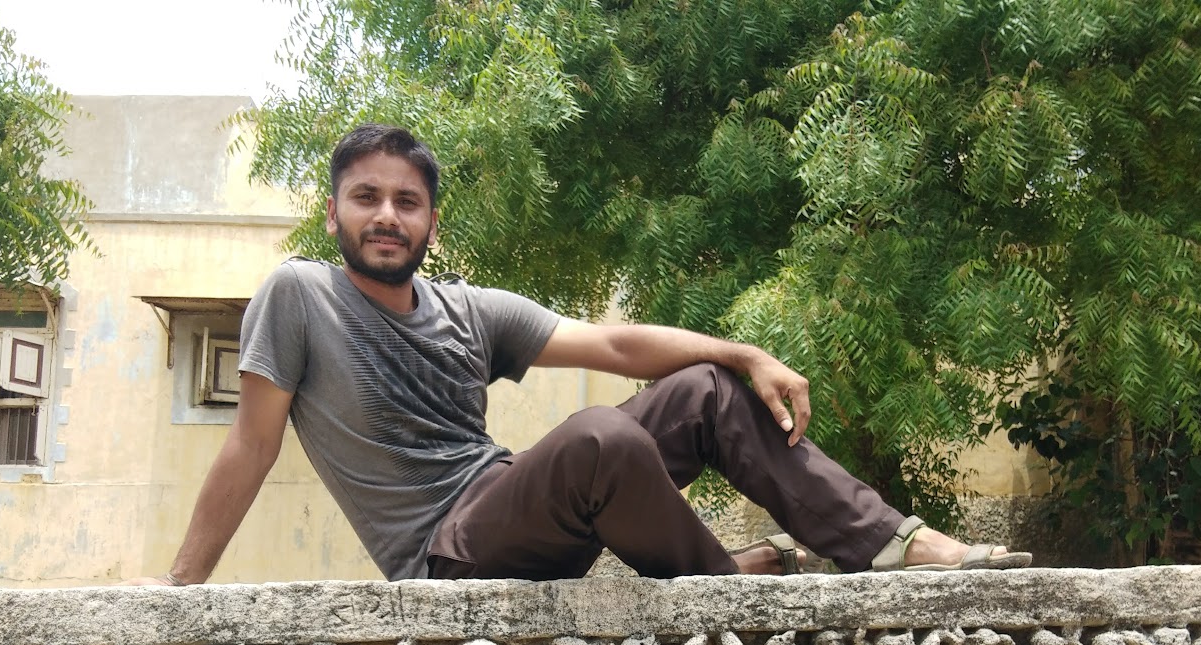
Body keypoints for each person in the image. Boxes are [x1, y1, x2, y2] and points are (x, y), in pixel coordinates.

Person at [131, 124, 1031, 587]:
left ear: (430, 222)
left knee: (706, 391)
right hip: (446, 557)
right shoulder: (300, 296)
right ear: (335, 213)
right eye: (365, 198)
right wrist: (180, 590)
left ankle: (895, 546)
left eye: (407, 202)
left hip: (520, 500)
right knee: (601, 437)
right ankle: (726, 578)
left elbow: (613, 343)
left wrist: (747, 350)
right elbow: (251, 443)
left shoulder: (467, 310)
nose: (386, 216)